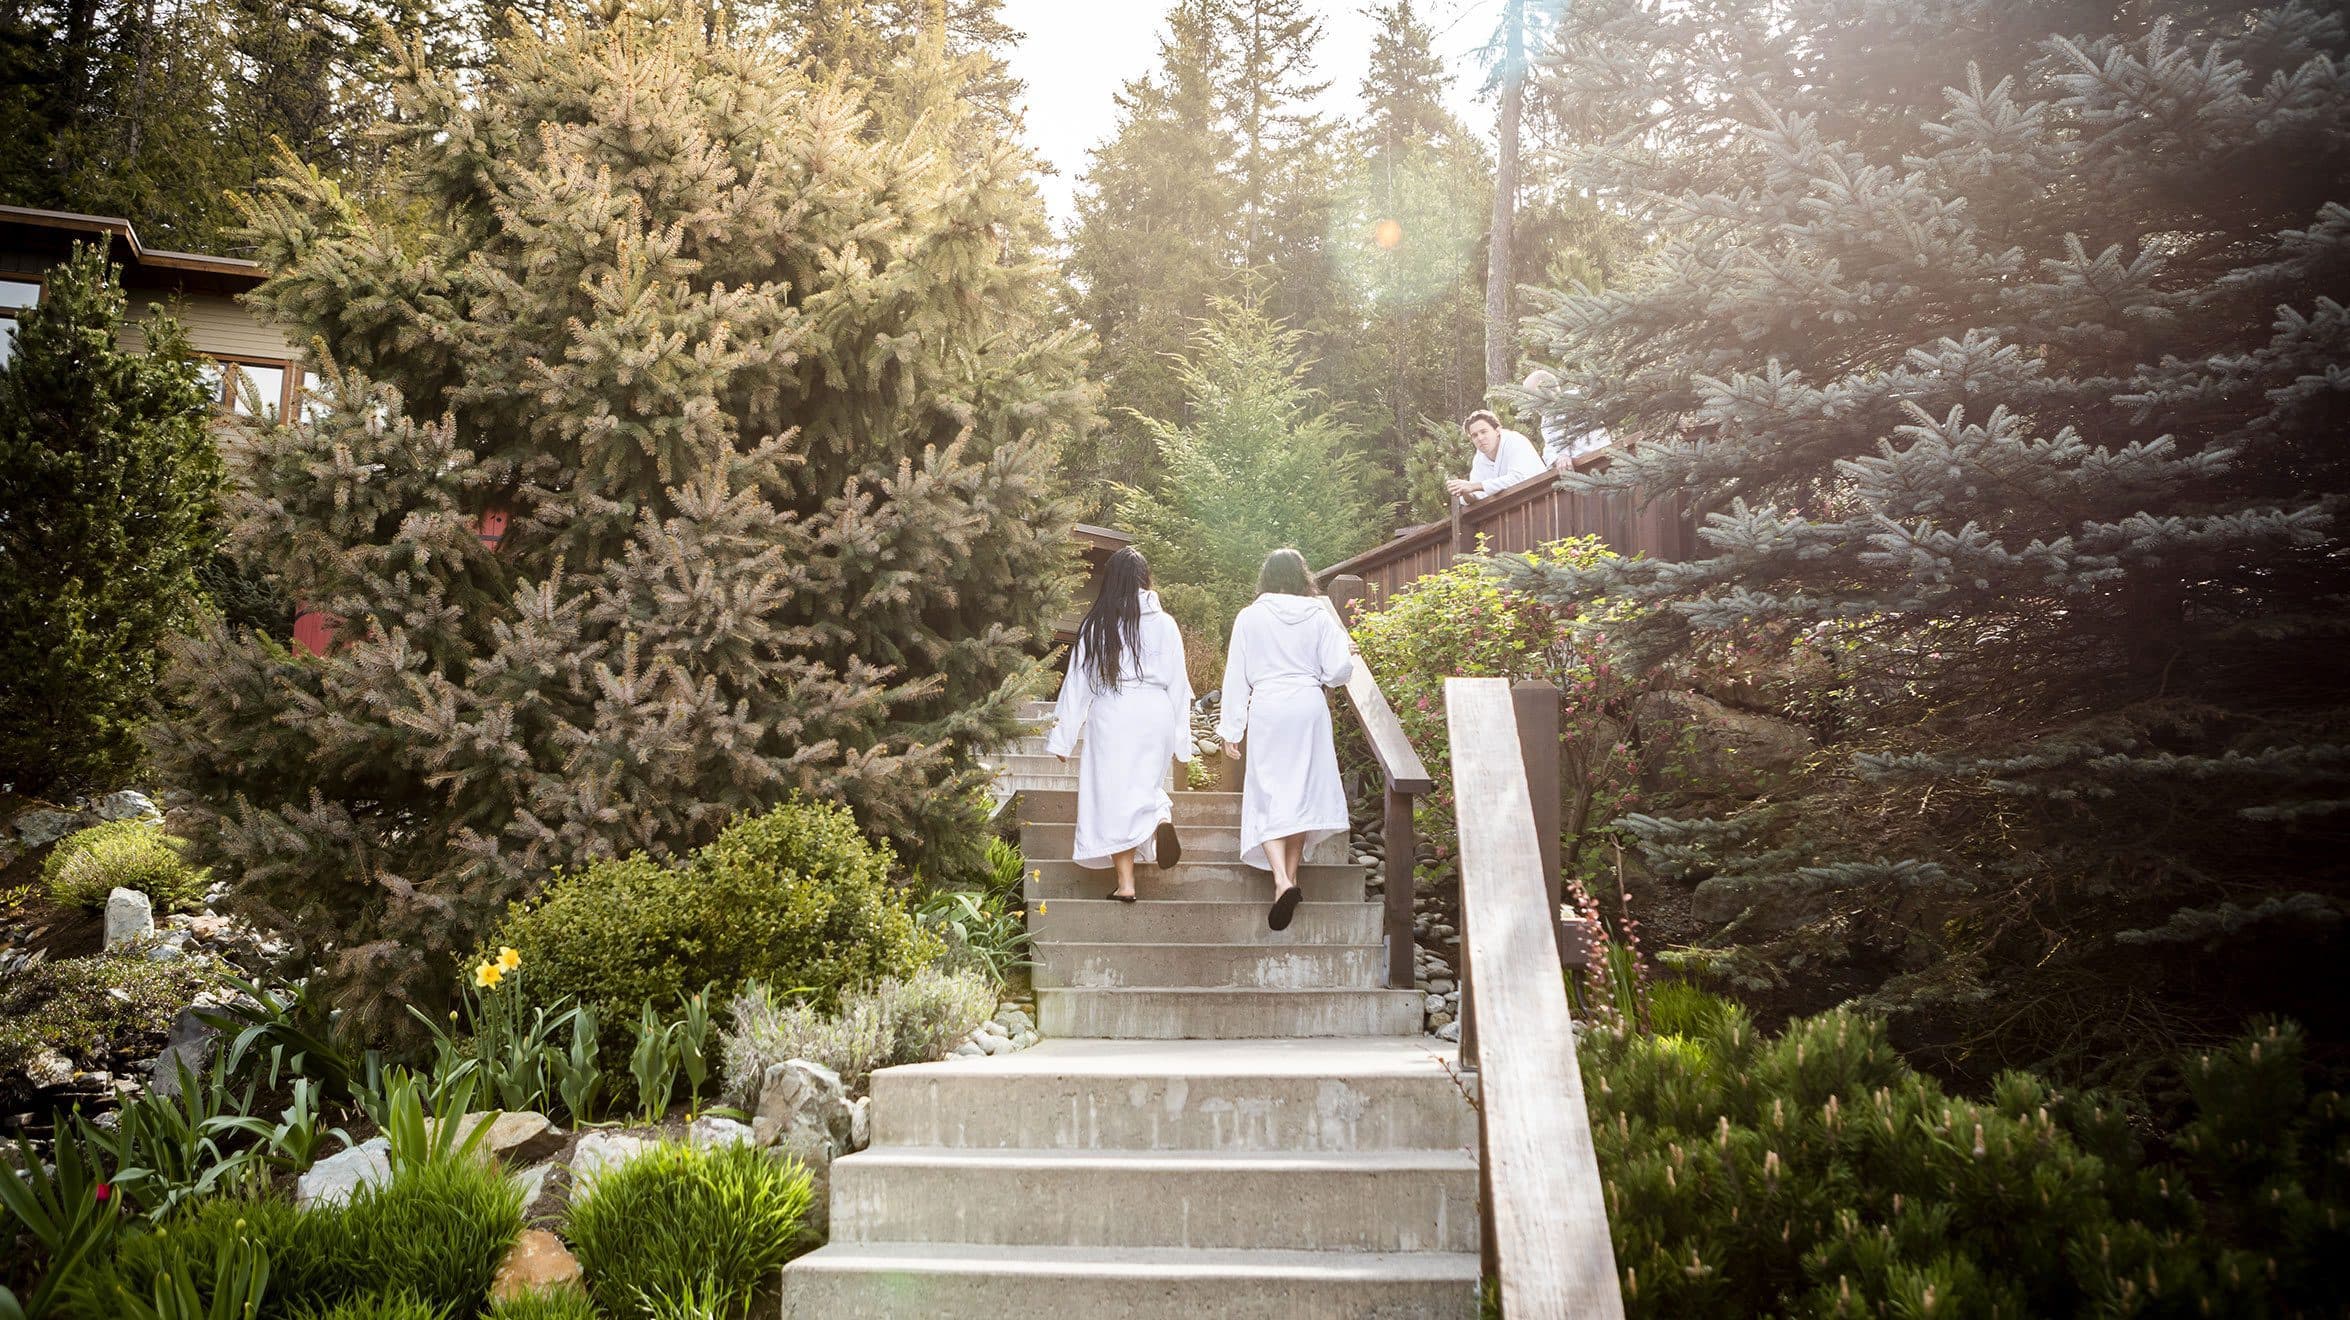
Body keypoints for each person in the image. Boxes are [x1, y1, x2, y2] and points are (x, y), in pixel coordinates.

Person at [1216, 549, 1355, 931]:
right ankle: (1288, 882)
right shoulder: (1318, 615)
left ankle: (1281, 879)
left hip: (1269, 708)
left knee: (1268, 793)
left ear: (1266, 578)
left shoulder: (1250, 617)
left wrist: (1231, 729)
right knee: (1300, 794)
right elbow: (1339, 670)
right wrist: (1347, 654)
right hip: (1308, 707)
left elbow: (1236, 676)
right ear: (1301, 578)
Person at [1047, 547, 1193, 902]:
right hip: (1155, 711)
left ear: (1110, 581)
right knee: (1147, 785)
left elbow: (1077, 685)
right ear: (1146, 580)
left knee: (1112, 797)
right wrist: (1182, 742)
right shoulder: (1166, 624)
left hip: (1113, 713)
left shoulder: (1097, 624)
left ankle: (1126, 884)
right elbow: (1179, 685)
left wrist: (1062, 739)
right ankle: (1160, 820)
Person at [1444, 409, 1546, 502]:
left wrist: (1473, 486)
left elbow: (1518, 478)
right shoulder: (1479, 459)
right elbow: (1476, 497)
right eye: (1474, 435)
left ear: (1497, 430)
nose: (1480, 438)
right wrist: (1464, 490)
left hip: (1542, 501)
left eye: (1484, 432)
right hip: (1512, 511)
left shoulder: (1514, 440)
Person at [1523, 369, 1613, 472]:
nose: (1532, 406)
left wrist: (1563, 455)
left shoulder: (1575, 400)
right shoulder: (1547, 418)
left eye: (1533, 397)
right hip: (1576, 474)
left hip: (1599, 463)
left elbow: (1583, 440)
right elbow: (1549, 448)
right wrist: (1557, 459)